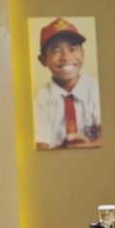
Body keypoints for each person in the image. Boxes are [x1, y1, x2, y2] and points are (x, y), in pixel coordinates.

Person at [34, 17, 101, 149]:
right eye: (56, 51)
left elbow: (110, 138)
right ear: (43, 60)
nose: (65, 57)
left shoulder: (95, 88)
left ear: (82, 54)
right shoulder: (40, 99)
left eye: (72, 49)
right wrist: (65, 151)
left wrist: (89, 147)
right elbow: (41, 149)